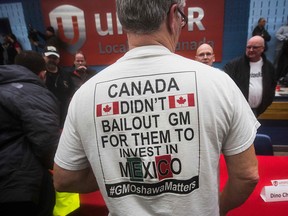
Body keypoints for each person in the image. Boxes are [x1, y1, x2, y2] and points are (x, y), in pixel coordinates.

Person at [53, 1, 259, 216]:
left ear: (123, 20)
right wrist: (219, 207)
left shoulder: (87, 94)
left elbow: (65, 179)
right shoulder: (218, 83)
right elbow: (247, 175)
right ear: (173, 16)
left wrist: (122, 172)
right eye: (182, 17)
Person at [0, 51, 60, 215]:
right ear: (42, 74)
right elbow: (47, 141)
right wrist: (64, 169)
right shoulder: (33, 93)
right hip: (18, 183)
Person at [223, 36, 277, 117]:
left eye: (255, 47)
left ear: (262, 48)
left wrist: (266, 103)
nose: (251, 50)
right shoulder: (233, 65)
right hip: (238, 111)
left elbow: (272, 86)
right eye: (248, 47)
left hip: (257, 111)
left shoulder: (269, 67)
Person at [43, 46, 74, 128]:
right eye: (49, 57)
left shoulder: (65, 74)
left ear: (58, 59)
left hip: (64, 115)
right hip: (46, 115)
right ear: (43, 57)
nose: (52, 60)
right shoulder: (39, 74)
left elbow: (72, 92)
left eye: (54, 58)